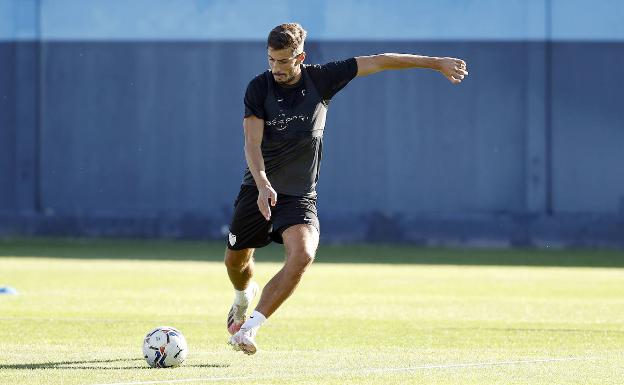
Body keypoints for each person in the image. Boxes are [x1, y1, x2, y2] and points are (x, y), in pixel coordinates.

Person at [225, 23, 468, 355]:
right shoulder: (258, 87)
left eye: (283, 61)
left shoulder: (321, 79)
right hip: (259, 188)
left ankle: (249, 330)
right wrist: (263, 183)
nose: (276, 68)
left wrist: (436, 62)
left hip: (298, 196)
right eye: (271, 60)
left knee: (304, 254)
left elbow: (380, 60)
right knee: (235, 264)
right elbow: (251, 144)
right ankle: (242, 297)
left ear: (300, 57)